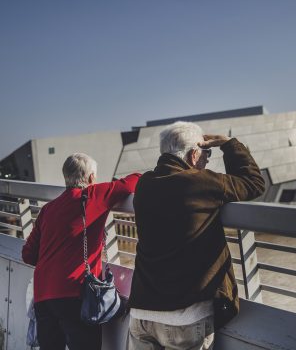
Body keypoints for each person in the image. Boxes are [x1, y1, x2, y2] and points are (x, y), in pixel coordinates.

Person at [126, 121, 265, 350]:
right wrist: (229, 145)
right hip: (184, 317)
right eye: (206, 153)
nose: (208, 159)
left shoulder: (145, 184)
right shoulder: (200, 182)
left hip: (142, 314)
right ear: (193, 155)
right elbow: (254, 183)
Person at [22, 153, 140, 350]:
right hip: (75, 295)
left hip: (43, 296)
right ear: (92, 178)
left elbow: (27, 255)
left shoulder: (48, 209)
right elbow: (132, 182)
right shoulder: (95, 195)